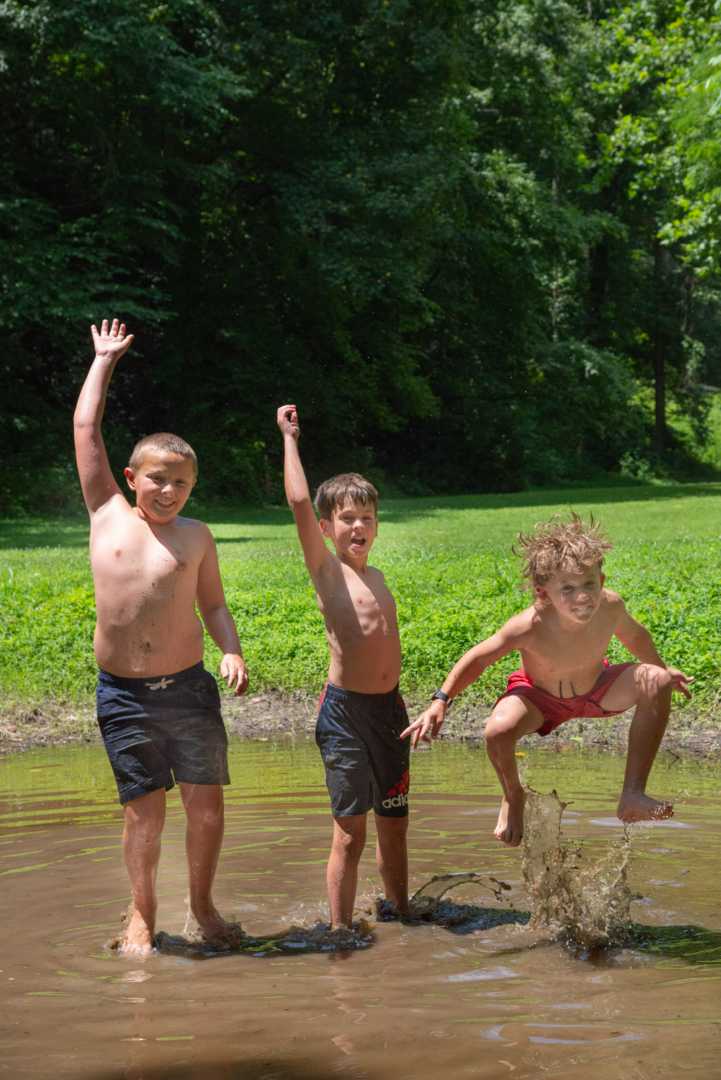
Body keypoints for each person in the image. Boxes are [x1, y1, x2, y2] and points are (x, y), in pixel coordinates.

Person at [74, 318, 248, 956]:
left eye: (180, 481)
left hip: (189, 690)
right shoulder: (106, 515)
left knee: (206, 806)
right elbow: (86, 429)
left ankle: (202, 905)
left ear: (193, 486)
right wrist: (103, 361)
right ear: (129, 477)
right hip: (124, 694)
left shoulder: (196, 537)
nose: (168, 490)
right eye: (156, 478)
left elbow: (214, 604)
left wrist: (230, 647)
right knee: (144, 813)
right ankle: (142, 914)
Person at [401, 513, 691, 847]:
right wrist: (440, 700)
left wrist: (662, 670)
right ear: (543, 593)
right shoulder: (529, 625)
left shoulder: (610, 607)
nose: (582, 596)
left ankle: (632, 795)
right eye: (567, 588)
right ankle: (513, 795)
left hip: (597, 690)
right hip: (539, 699)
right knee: (497, 731)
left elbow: (636, 637)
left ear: (601, 579)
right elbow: (479, 658)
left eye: (589, 584)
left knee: (656, 680)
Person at [277, 404, 409, 929]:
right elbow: (297, 501)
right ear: (327, 527)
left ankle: (401, 911)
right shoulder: (327, 570)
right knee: (350, 832)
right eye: (347, 518)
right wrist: (289, 438)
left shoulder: (377, 576)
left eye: (367, 518)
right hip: (347, 717)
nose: (359, 526)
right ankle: (339, 929)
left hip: (390, 713)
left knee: (394, 824)